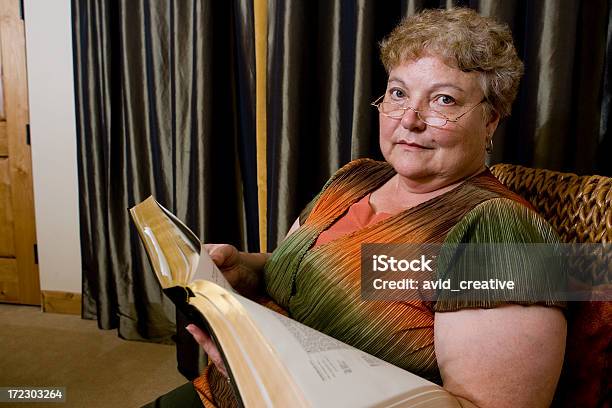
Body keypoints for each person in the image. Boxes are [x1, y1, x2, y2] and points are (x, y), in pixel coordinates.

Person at [146, 7, 566, 408]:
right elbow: (312, 270)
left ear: (490, 121)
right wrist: (248, 269)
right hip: (224, 393)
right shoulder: (357, 177)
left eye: (443, 101)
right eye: (398, 93)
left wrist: (273, 372)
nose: (410, 119)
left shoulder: (499, 234)